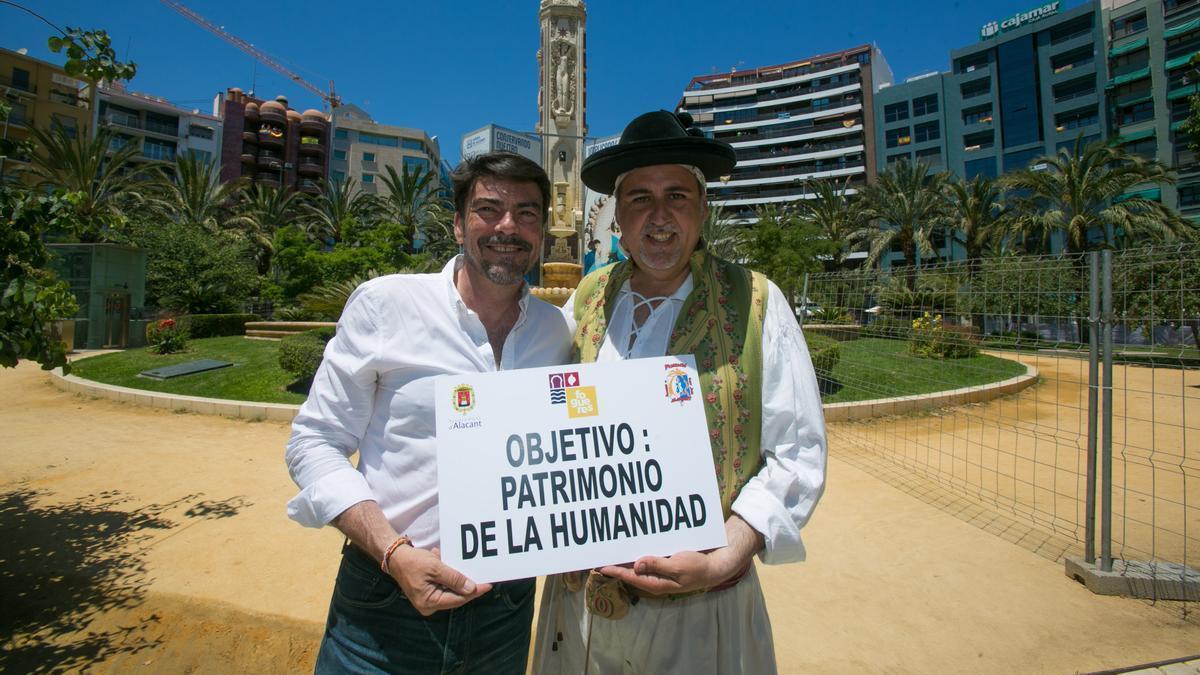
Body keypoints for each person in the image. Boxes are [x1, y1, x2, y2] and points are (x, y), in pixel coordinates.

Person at [532, 111, 828, 674]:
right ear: (617, 216)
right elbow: (536, 412)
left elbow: (797, 454)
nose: (659, 216)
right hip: (579, 611)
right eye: (640, 198)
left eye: (677, 195)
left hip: (700, 615)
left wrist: (726, 556)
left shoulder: (756, 302)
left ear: (703, 208)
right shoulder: (589, 297)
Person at [285, 151, 572, 674]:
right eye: (489, 209)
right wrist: (393, 552)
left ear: (543, 231)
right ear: (459, 224)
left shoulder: (556, 332)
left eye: (527, 213)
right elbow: (313, 442)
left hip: (504, 611)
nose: (508, 226)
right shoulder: (385, 305)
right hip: (383, 603)